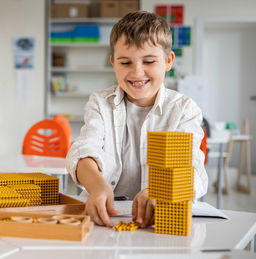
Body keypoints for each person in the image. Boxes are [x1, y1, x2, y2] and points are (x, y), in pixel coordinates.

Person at [66, 11, 208, 228]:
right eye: (125, 63)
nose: (137, 72)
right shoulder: (100, 103)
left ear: (168, 61)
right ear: (113, 63)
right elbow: (85, 149)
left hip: (159, 221)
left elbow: (192, 170)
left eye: (149, 61)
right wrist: (97, 186)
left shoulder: (184, 109)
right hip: (106, 219)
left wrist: (160, 191)